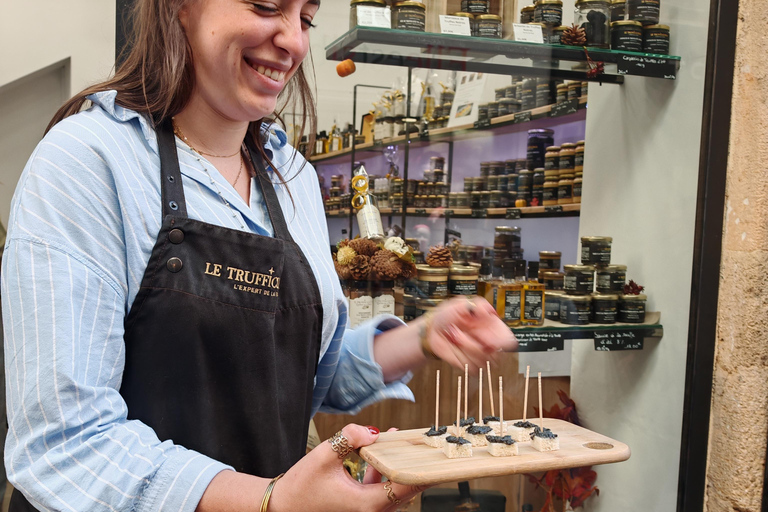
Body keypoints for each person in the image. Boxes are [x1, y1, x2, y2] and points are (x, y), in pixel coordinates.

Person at [1, 0, 517, 510]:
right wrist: (270, 499)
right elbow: (66, 442)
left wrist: (423, 336)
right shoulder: (88, 162)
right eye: (267, 5)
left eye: (306, 18)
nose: (294, 41)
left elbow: (292, 376)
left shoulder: (293, 177)